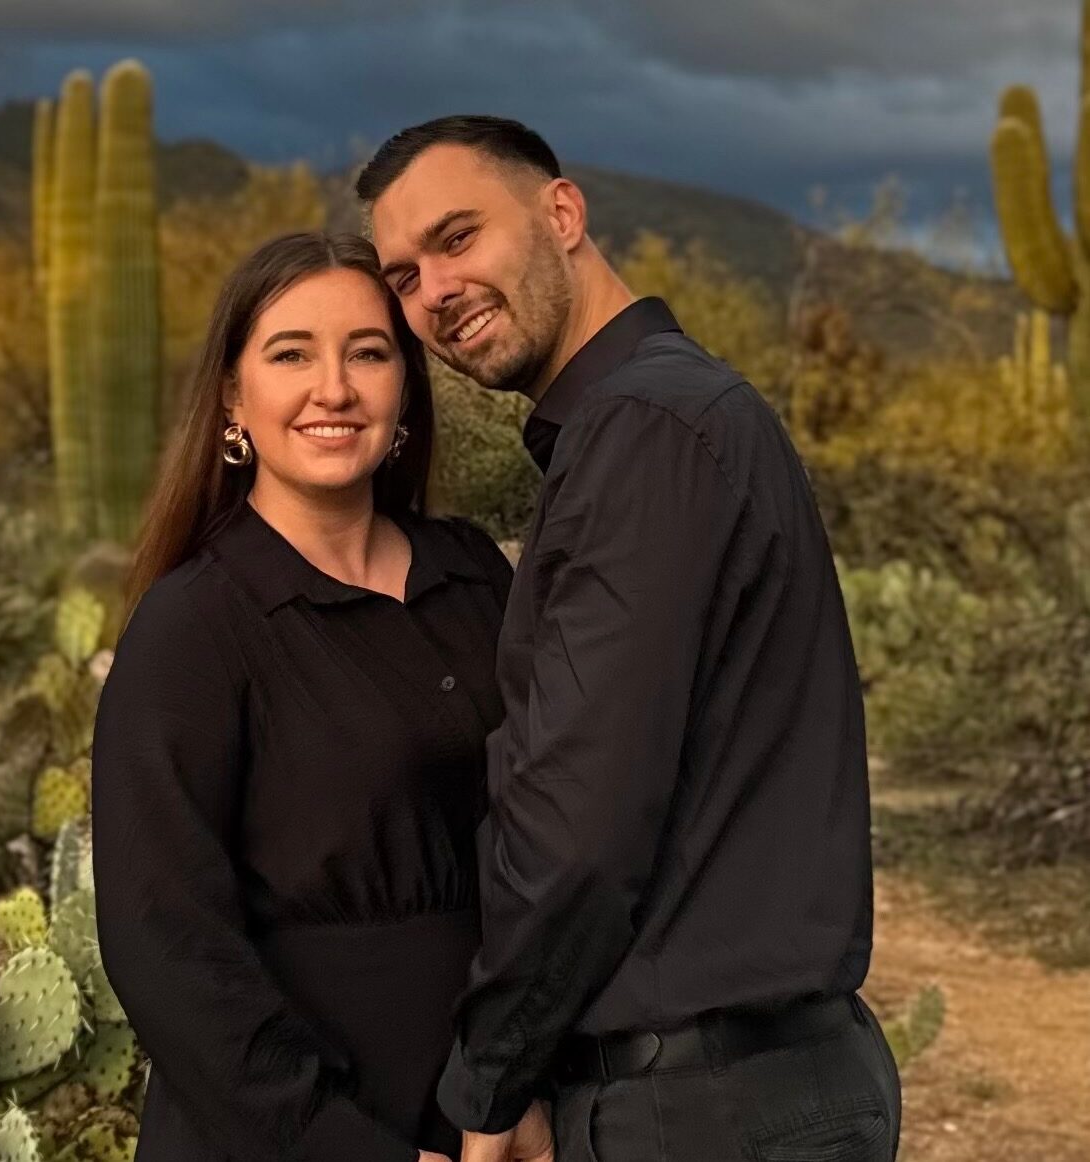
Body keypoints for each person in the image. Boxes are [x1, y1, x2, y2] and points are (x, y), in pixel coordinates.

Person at [357, 116, 902, 1162]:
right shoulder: (669, 411)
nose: (436, 291)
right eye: (405, 276)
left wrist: (486, 1084)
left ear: (562, 213)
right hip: (747, 1089)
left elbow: (582, 814)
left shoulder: (642, 429)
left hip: (703, 1106)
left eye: (458, 238)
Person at [90, 231, 515, 1161]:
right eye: (291, 355)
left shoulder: (477, 577)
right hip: (287, 1131)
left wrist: (521, 1082)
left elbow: (557, 842)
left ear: (404, 386)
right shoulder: (194, 624)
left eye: (368, 353)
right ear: (233, 397)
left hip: (493, 1111)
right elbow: (162, 942)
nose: (335, 389)